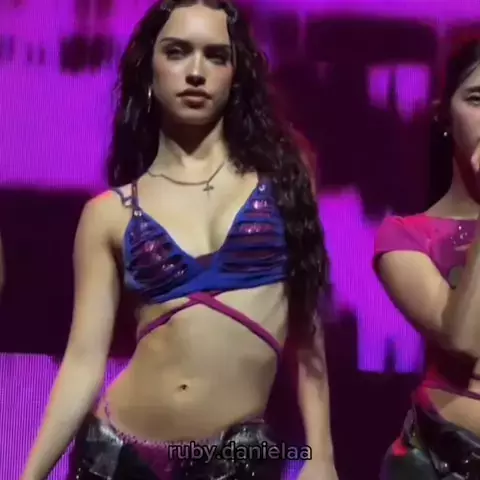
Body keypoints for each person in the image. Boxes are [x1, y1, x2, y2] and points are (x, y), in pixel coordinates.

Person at [21, 1, 337, 479]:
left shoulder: (285, 183)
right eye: (177, 52)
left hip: (235, 462)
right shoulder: (108, 213)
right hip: (117, 458)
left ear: (237, 74)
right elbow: (83, 363)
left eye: (215, 55)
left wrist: (321, 455)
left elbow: (306, 327)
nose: (195, 72)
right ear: (149, 69)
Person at [374, 36, 480, 479]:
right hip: (445, 462)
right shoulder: (405, 236)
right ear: (444, 116)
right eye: (477, 99)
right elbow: (464, 338)